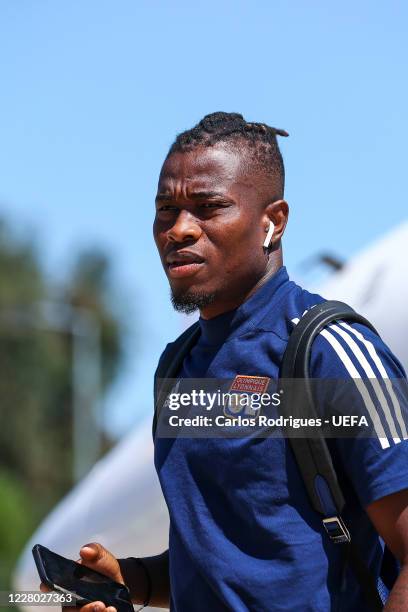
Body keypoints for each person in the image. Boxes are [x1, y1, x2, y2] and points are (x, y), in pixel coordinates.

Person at [42, 112, 408, 611]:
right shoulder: (178, 367)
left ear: (272, 221)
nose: (178, 230)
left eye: (208, 207)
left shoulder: (332, 352)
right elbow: (230, 560)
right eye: (165, 209)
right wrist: (134, 581)